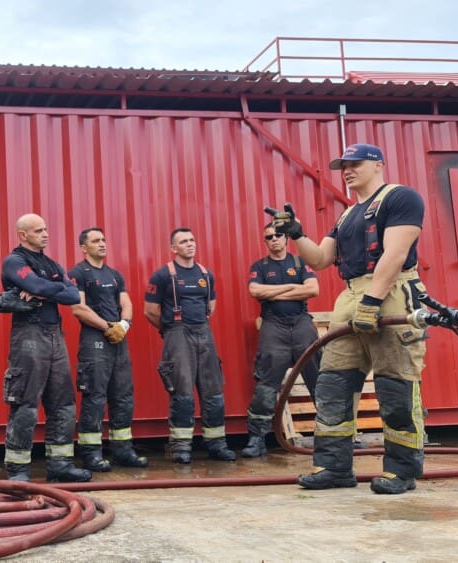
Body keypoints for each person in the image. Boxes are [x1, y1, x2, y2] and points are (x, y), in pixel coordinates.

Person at [271, 143, 428, 495]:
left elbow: (396, 252)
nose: (347, 170)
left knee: (395, 386)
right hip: (351, 293)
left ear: (378, 165)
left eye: (356, 163)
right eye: (343, 165)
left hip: (392, 291)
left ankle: (401, 471)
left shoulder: (400, 198)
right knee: (333, 385)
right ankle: (334, 467)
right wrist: (296, 233)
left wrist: (373, 301)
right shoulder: (346, 215)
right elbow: (321, 260)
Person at [0, 213, 91, 483]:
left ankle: (60, 465)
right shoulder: (15, 261)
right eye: (38, 230)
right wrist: (50, 288)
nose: (45, 234)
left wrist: (42, 291)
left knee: (63, 402)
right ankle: (18, 470)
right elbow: (35, 283)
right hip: (28, 335)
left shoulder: (51, 262)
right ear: (23, 235)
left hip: (54, 336)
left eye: (46, 229)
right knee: (25, 403)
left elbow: (74, 295)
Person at [144, 227, 236, 464]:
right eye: (184, 242)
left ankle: (217, 444)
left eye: (192, 240)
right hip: (177, 333)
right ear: (173, 248)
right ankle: (181, 448)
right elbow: (150, 311)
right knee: (182, 393)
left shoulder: (206, 274)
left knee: (213, 392)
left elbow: (211, 305)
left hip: (204, 333)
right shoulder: (162, 276)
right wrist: (169, 330)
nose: (190, 244)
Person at [67, 227, 147, 471]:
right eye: (95, 241)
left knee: (123, 396)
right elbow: (77, 308)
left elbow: (127, 303)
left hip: (118, 340)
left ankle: (122, 449)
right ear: (84, 247)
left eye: (103, 239)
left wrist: (123, 325)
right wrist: (107, 327)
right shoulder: (78, 273)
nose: (102, 244)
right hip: (95, 341)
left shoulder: (114, 274)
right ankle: (91, 453)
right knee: (95, 396)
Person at [241, 223, 321, 458]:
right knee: (266, 384)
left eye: (278, 235)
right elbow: (256, 291)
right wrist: (293, 287)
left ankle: (334, 435)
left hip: (301, 325)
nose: (274, 239)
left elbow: (313, 289)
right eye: (269, 237)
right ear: (265, 242)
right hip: (273, 326)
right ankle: (257, 439)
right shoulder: (260, 267)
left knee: (320, 379)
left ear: (286, 238)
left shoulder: (300, 263)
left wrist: (274, 291)